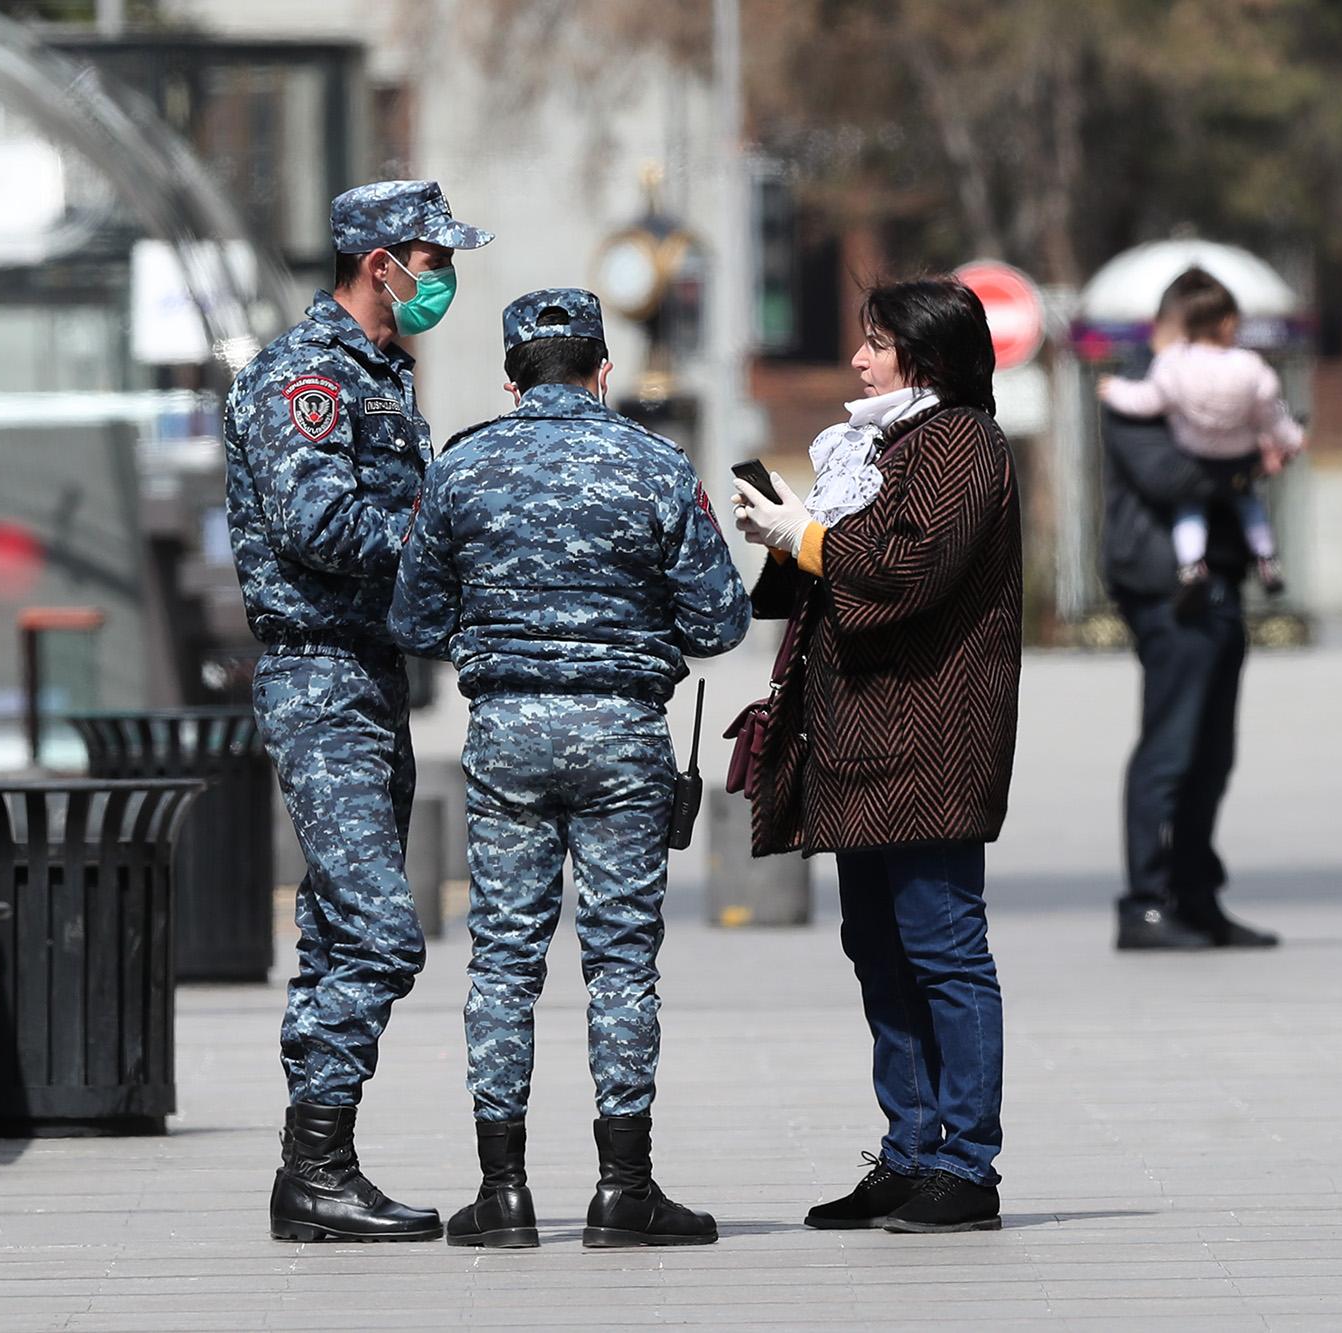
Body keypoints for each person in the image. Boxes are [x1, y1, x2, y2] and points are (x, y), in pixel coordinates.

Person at [389, 288, 750, 1250]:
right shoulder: (656, 464)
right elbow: (721, 621)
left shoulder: (462, 469)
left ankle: (502, 1193)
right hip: (624, 734)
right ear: (602, 371)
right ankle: (622, 1188)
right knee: (622, 962)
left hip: (505, 732)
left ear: (511, 379)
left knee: (504, 958)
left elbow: (416, 621)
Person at [223, 179, 491, 1243]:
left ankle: (319, 1176)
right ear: (377, 263)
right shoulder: (308, 379)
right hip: (320, 675)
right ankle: (314, 1161)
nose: (443, 281)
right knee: (382, 933)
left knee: (339, 932)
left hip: (368, 675)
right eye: (432, 262)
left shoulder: (378, 372)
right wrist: (451, 541)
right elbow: (318, 525)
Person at [731, 276, 1020, 1235]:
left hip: (931, 734)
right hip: (858, 731)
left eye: (876, 344)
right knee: (878, 948)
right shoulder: (878, 443)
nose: (858, 359)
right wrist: (785, 534)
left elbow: (905, 568)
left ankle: (966, 1163)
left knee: (943, 945)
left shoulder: (961, 442)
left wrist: (808, 534)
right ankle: (909, 1149)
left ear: (927, 358)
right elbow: (816, 576)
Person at [1101, 269, 1283, 952]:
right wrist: (1247, 464)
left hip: (1219, 583)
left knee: (1213, 751)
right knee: (1171, 747)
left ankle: (1196, 895)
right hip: (1162, 584)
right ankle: (1144, 903)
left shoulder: (1221, 388)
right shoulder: (1138, 387)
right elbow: (1166, 475)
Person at [1097, 267, 1303, 606]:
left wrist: (1114, 390)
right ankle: (1267, 558)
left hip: (1204, 545)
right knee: (1250, 505)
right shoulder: (1251, 366)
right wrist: (1272, 452)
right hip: (1159, 579)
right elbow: (1271, 413)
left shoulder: (1167, 369)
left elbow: (1144, 401)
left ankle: (1192, 565)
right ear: (1226, 323)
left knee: (1190, 512)